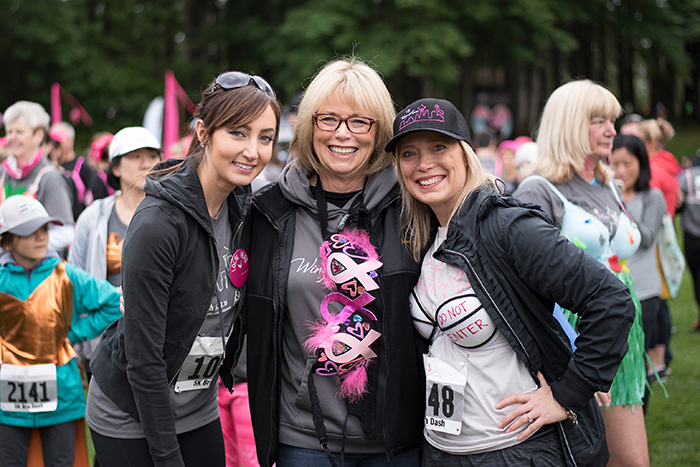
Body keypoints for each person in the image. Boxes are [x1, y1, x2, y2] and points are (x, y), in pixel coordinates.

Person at [387, 98, 634, 466]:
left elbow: (610, 299)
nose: (424, 164)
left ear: (467, 153)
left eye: (439, 147)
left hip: (515, 450)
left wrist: (568, 395)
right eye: (409, 153)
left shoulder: (506, 226)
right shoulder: (421, 237)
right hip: (442, 451)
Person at [85, 71, 280, 467]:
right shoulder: (159, 224)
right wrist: (166, 455)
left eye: (265, 137)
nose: (253, 151)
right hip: (131, 409)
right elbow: (143, 359)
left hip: (197, 401)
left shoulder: (244, 206)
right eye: (238, 133)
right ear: (204, 132)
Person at [242, 57, 424, 467]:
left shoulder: (412, 209)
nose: (343, 134)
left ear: (380, 132)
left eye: (360, 121)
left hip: (395, 441)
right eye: (329, 120)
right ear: (309, 126)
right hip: (303, 439)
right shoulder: (269, 213)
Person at [514, 79, 649, 467]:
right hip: (574, 343)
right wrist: (576, 352)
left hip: (622, 339)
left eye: (613, 120)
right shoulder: (537, 190)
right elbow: (526, 285)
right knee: (588, 456)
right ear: (569, 123)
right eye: (599, 120)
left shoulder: (609, 186)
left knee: (632, 460)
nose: (612, 130)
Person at [0, 195, 121, 467]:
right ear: (7, 240)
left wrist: (71, 334)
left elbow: (114, 303)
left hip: (61, 398)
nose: (41, 237)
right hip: (7, 403)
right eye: (29, 231)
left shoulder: (67, 275)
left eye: (44, 229)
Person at [68, 126, 162, 381]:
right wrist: (76, 344)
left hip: (158, 339)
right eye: (136, 156)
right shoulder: (93, 216)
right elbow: (73, 280)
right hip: (104, 339)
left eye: (153, 156)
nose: (146, 164)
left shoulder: (173, 216)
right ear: (116, 167)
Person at [610, 134, 668, 388]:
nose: (621, 171)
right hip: (613, 289)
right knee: (616, 363)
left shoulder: (652, 197)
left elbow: (646, 238)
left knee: (637, 360)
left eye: (628, 163)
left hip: (644, 291)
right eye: (616, 163)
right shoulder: (605, 195)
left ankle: (638, 419)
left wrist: (621, 202)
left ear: (641, 163)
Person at [1, 101, 74, 255]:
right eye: (9, 132)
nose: (12, 138)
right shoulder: (3, 172)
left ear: (39, 136)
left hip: (37, 273)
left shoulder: (49, 177)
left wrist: (20, 245)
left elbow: (66, 233)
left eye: (19, 132)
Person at [50, 122, 107, 220]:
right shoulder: (48, 166)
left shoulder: (82, 166)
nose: (55, 145)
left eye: (59, 140)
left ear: (71, 141)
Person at [678, 163, 700, 331]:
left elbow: (678, 202)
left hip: (691, 233)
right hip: (691, 233)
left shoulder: (685, 176)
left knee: (696, 277)